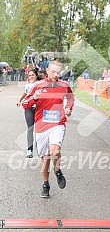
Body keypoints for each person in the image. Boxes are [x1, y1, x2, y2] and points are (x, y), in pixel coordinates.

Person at [22, 60, 75, 198]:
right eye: (53, 72)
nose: (56, 75)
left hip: (58, 123)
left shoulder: (64, 85)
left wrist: (69, 108)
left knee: (55, 150)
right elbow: (25, 104)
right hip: (41, 125)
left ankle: (57, 171)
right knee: (45, 158)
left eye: (58, 72)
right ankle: (45, 184)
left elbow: (70, 97)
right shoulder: (38, 86)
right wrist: (34, 98)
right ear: (47, 71)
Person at [17, 68, 41, 158]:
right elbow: (25, 94)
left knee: (39, 130)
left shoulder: (40, 85)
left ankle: (40, 149)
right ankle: (29, 150)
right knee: (30, 129)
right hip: (29, 109)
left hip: (39, 109)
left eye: (32, 75)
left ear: (36, 75)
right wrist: (19, 100)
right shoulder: (27, 85)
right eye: (29, 75)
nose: (31, 77)